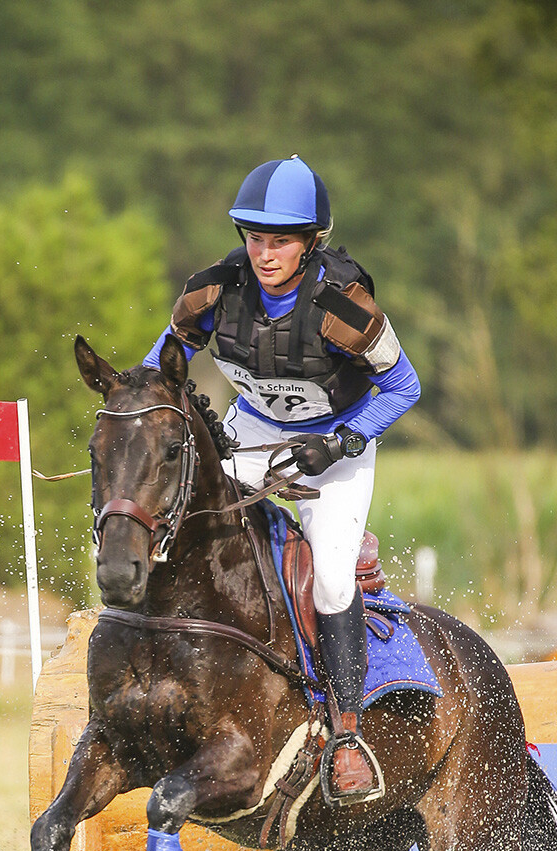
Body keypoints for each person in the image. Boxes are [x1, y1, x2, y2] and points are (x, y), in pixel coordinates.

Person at [143, 155, 421, 804]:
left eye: (282, 241)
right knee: (185, 522)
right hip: (255, 431)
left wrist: (346, 440)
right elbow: (163, 366)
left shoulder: (343, 308)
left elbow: (403, 386)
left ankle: (348, 734)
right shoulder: (213, 291)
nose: (265, 254)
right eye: (256, 238)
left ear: (311, 242)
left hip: (336, 445)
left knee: (329, 573)